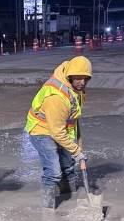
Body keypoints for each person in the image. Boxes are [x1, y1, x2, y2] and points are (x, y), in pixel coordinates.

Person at [24, 57, 91, 209]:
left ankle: (70, 196)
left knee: (68, 164)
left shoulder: (76, 87)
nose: (82, 82)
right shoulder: (57, 96)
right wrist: (76, 151)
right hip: (41, 130)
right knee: (54, 171)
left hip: (60, 127)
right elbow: (57, 132)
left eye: (86, 79)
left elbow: (72, 116)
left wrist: (75, 143)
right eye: (79, 78)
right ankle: (48, 208)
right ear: (70, 76)